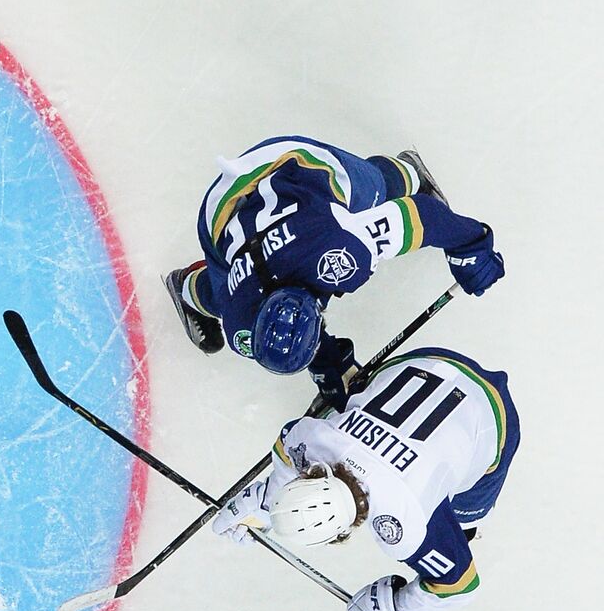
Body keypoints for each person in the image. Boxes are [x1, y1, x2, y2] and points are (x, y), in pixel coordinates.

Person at [165, 136, 505, 409]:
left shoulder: (340, 249)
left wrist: (472, 246)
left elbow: (425, 216)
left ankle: (410, 172)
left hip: (290, 167)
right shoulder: (244, 333)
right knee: (225, 294)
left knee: (371, 187)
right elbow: (259, 312)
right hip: (221, 210)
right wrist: (330, 364)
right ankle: (184, 287)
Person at [210, 347, 520, 611]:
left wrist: (394, 607)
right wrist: (268, 502)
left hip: (493, 416)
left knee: (465, 516)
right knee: (353, 405)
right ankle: (345, 375)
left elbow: (460, 586)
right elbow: (288, 444)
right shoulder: (312, 439)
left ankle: (465, 525)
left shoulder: (405, 523)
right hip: (427, 361)